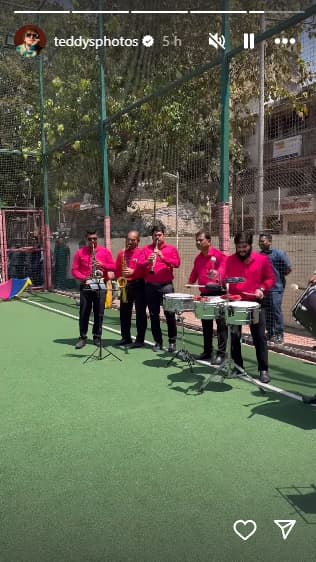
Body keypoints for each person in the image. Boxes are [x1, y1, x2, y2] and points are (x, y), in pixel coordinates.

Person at [223, 231, 275, 383]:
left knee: (259, 337)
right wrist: (218, 278)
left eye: (244, 246)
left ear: (251, 245)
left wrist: (262, 289)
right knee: (233, 336)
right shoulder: (229, 260)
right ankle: (238, 367)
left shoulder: (262, 260)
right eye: (239, 247)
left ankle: (263, 370)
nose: (241, 250)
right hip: (235, 303)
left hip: (256, 304)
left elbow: (270, 278)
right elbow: (223, 276)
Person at [138, 223, 180, 352]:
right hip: (151, 286)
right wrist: (148, 262)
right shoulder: (146, 249)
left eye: (159, 235)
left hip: (166, 285)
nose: (157, 237)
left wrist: (163, 257)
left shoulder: (171, 249)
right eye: (155, 235)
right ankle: (158, 341)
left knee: (170, 314)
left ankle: (172, 342)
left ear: (164, 235)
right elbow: (139, 265)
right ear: (152, 236)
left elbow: (177, 263)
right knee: (153, 314)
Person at [188, 229, 227, 363]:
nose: (198, 243)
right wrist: (190, 282)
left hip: (219, 293)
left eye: (201, 240)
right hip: (204, 294)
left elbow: (225, 270)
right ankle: (207, 351)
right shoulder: (198, 258)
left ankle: (221, 354)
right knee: (206, 324)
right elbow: (195, 272)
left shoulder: (219, 255)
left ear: (208, 241)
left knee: (221, 325)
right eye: (197, 241)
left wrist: (217, 273)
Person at [71, 230, 115, 349]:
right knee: (84, 312)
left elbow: (113, 266)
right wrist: (84, 278)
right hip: (86, 286)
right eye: (90, 239)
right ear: (87, 239)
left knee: (99, 313)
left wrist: (102, 265)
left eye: (94, 238)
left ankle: (97, 337)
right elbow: (74, 270)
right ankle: (82, 337)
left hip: (100, 286)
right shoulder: (80, 253)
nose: (92, 241)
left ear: (97, 239)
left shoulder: (105, 252)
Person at [115, 230, 147, 347]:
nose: (129, 242)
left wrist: (134, 272)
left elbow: (145, 269)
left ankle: (140, 340)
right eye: (128, 239)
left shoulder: (142, 252)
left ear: (138, 241)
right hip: (125, 285)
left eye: (133, 240)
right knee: (124, 312)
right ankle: (126, 337)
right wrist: (119, 279)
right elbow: (117, 269)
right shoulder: (121, 253)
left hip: (139, 284)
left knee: (140, 313)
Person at [259, 233, 292, 343]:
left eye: (263, 241)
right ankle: (270, 333)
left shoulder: (279, 254)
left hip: (276, 288)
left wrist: (277, 277)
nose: (260, 243)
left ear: (269, 242)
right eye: (260, 241)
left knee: (276, 310)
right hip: (264, 289)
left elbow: (287, 269)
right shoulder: (259, 256)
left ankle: (279, 334)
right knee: (267, 311)